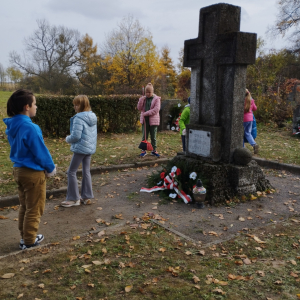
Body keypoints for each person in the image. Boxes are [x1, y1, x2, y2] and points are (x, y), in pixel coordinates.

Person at [3, 89, 56, 250]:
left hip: (19, 171)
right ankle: (29, 241)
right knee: (35, 207)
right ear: (27, 107)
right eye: (35, 104)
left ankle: (26, 236)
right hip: (32, 173)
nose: (36, 107)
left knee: (25, 206)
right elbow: (40, 151)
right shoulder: (31, 128)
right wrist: (50, 168)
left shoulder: (13, 125)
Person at [62, 95, 97, 207]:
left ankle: (73, 199)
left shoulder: (78, 118)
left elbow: (76, 136)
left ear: (82, 106)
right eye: (74, 105)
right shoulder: (92, 116)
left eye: (77, 105)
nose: (75, 107)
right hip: (89, 148)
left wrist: (67, 138)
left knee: (71, 172)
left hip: (80, 148)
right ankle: (86, 197)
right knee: (86, 171)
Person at [137, 83, 161, 157]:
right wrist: (141, 100)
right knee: (144, 136)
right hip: (145, 120)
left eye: (149, 92)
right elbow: (139, 108)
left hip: (153, 121)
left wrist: (146, 113)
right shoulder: (143, 99)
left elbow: (156, 109)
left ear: (152, 91)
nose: (148, 94)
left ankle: (154, 150)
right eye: (147, 92)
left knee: (153, 136)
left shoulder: (156, 99)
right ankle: (143, 150)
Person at [244, 89, 259, 154]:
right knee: (248, 133)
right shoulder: (251, 100)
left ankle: (243, 148)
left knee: (240, 134)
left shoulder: (241, 100)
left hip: (243, 119)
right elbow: (255, 108)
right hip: (250, 119)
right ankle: (254, 144)